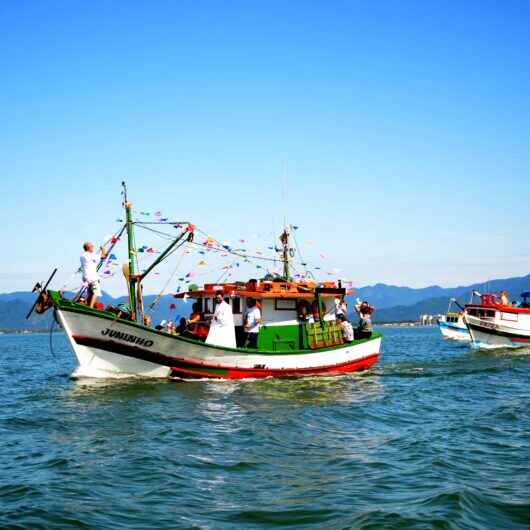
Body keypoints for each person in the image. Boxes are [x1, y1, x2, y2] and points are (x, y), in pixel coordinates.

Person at [80, 241, 107, 308]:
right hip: (92, 277)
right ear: (88, 247)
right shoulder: (90, 255)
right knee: (96, 292)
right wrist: (103, 249)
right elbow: (103, 256)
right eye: (92, 246)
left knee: (90, 293)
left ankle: (88, 304)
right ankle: (91, 307)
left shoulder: (83, 256)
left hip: (85, 277)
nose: (93, 248)